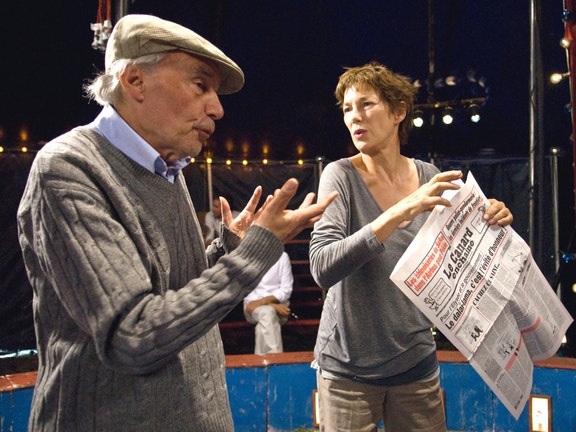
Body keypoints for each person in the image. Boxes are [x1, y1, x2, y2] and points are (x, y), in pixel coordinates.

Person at [16, 14, 336, 432]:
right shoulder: (69, 168)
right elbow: (135, 336)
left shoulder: (167, 169)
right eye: (200, 85)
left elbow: (171, 291)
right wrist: (257, 252)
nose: (217, 108)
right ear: (134, 81)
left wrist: (228, 249)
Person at [309, 62, 513, 432]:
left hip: (416, 364)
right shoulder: (339, 175)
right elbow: (322, 266)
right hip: (348, 370)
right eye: (347, 109)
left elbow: (465, 259)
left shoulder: (430, 178)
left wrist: (493, 219)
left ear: (399, 111)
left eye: (366, 104)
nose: (355, 117)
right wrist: (399, 211)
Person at [243, 251, 293, 354]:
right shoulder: (246, 258)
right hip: (253, 307)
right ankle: (276, 358)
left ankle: (259, 361)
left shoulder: (282, 256)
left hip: (280, 305)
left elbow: (286, 289)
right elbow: (249, 296)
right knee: (268, 312)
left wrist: (266, 303)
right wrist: (272, 306)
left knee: (262, 324)